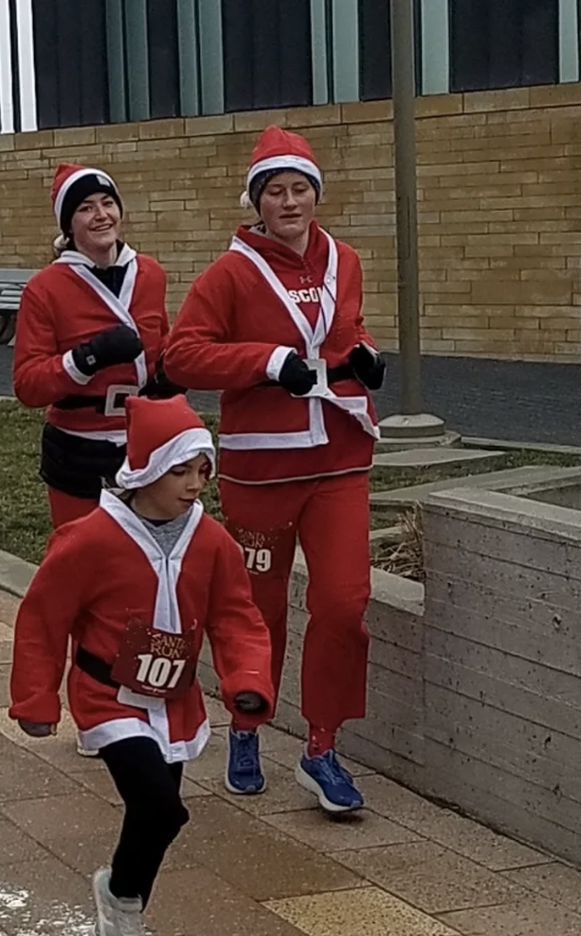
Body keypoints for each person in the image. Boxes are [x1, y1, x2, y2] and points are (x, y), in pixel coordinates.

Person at [162, 126, 385, 814]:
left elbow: (344, 332)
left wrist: (365, 354)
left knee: (344, 604)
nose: (289, 202)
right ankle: (247, 725)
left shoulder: (343, 260)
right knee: (256, 613)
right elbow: (183, 356)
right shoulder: (228, 274)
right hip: (262, 471)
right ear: (256, 202)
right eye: (275, 191)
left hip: (340, 458)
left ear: (316, 195)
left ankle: (321, 747)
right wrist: (266, 361)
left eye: (299, 189)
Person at [10, 394, 272, 936]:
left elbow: (236, 617)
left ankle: (122, 899)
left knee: (156, 816)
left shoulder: (212, 541)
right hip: (108, 697)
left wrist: (247, 680)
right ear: (146, 469)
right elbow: (43, 617)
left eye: (202, 469)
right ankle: (123, 902)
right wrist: (36, 696)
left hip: (174, 701)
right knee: (159, 806)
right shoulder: (89, 539)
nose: (194, 484)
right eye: (180, 470)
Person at [14, 165, 173, 529]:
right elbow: (28, 384)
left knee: (147, 558)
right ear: (68, 226)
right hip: (78, 445)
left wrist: (170, 373)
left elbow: (162, 347)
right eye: (85, 208)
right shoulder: (44, 288)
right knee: (81, 561)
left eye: (107, 203)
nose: (101, 215)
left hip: (143, 437)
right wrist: (87, 357)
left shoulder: (150, 274)